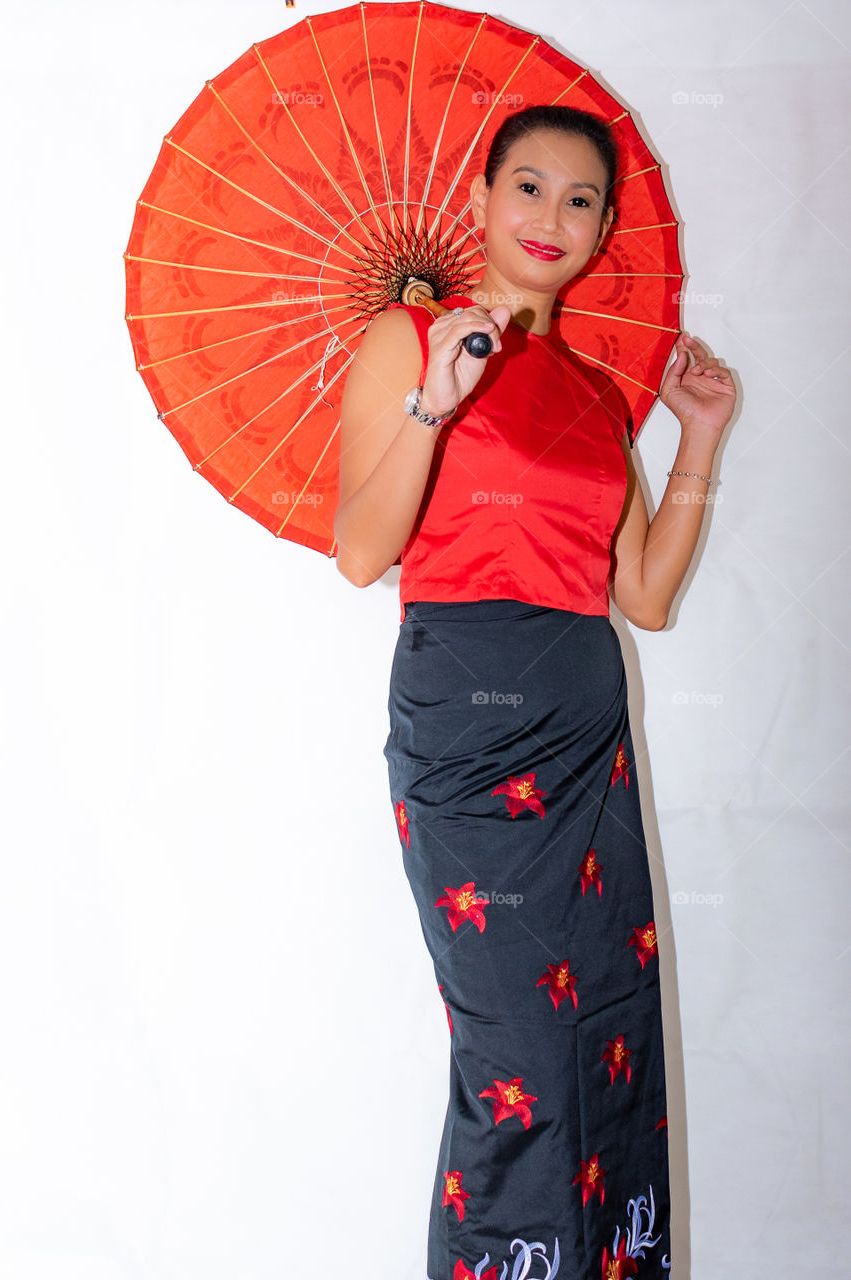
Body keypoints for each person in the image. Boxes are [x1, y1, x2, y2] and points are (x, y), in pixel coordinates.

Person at [333, 104, 736, 1280]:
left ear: (605, 226)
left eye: (578, 199)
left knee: (606, 1022)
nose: (550, 216)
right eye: (527, 186)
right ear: (480, 200)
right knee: (514, 1044)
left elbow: (645, 596)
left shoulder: (597, 395)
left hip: (585, 728)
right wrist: (434, 401)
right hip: (467, 720)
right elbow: (362, 549)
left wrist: (699, 437)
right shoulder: (408, 341)